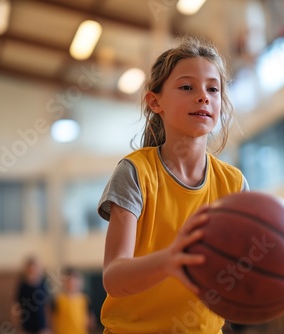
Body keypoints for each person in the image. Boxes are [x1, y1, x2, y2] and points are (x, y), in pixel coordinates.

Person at [97, 36, 249, 333]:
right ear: (155, 102)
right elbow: (113, 278)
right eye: (186, 87)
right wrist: (169, 261)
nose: (203, 96)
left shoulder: (234, 183)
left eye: (212, 89)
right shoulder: (135, 172)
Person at [12, 256, 50, 334]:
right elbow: (17, 306)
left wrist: (48, 326)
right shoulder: (23, 285)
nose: (32, 269)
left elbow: (46, 306)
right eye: (30, 267)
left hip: (41, 325)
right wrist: (17, 326)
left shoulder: (43, 283)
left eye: (34, 267)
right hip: (26, 326)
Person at [50, 268, 95, 334]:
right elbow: (51, 317)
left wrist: (90, 322)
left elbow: (90, 317)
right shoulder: (58, 299)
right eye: (69, 280)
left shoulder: (84, 299)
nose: (72, 283)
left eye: (75, 280)